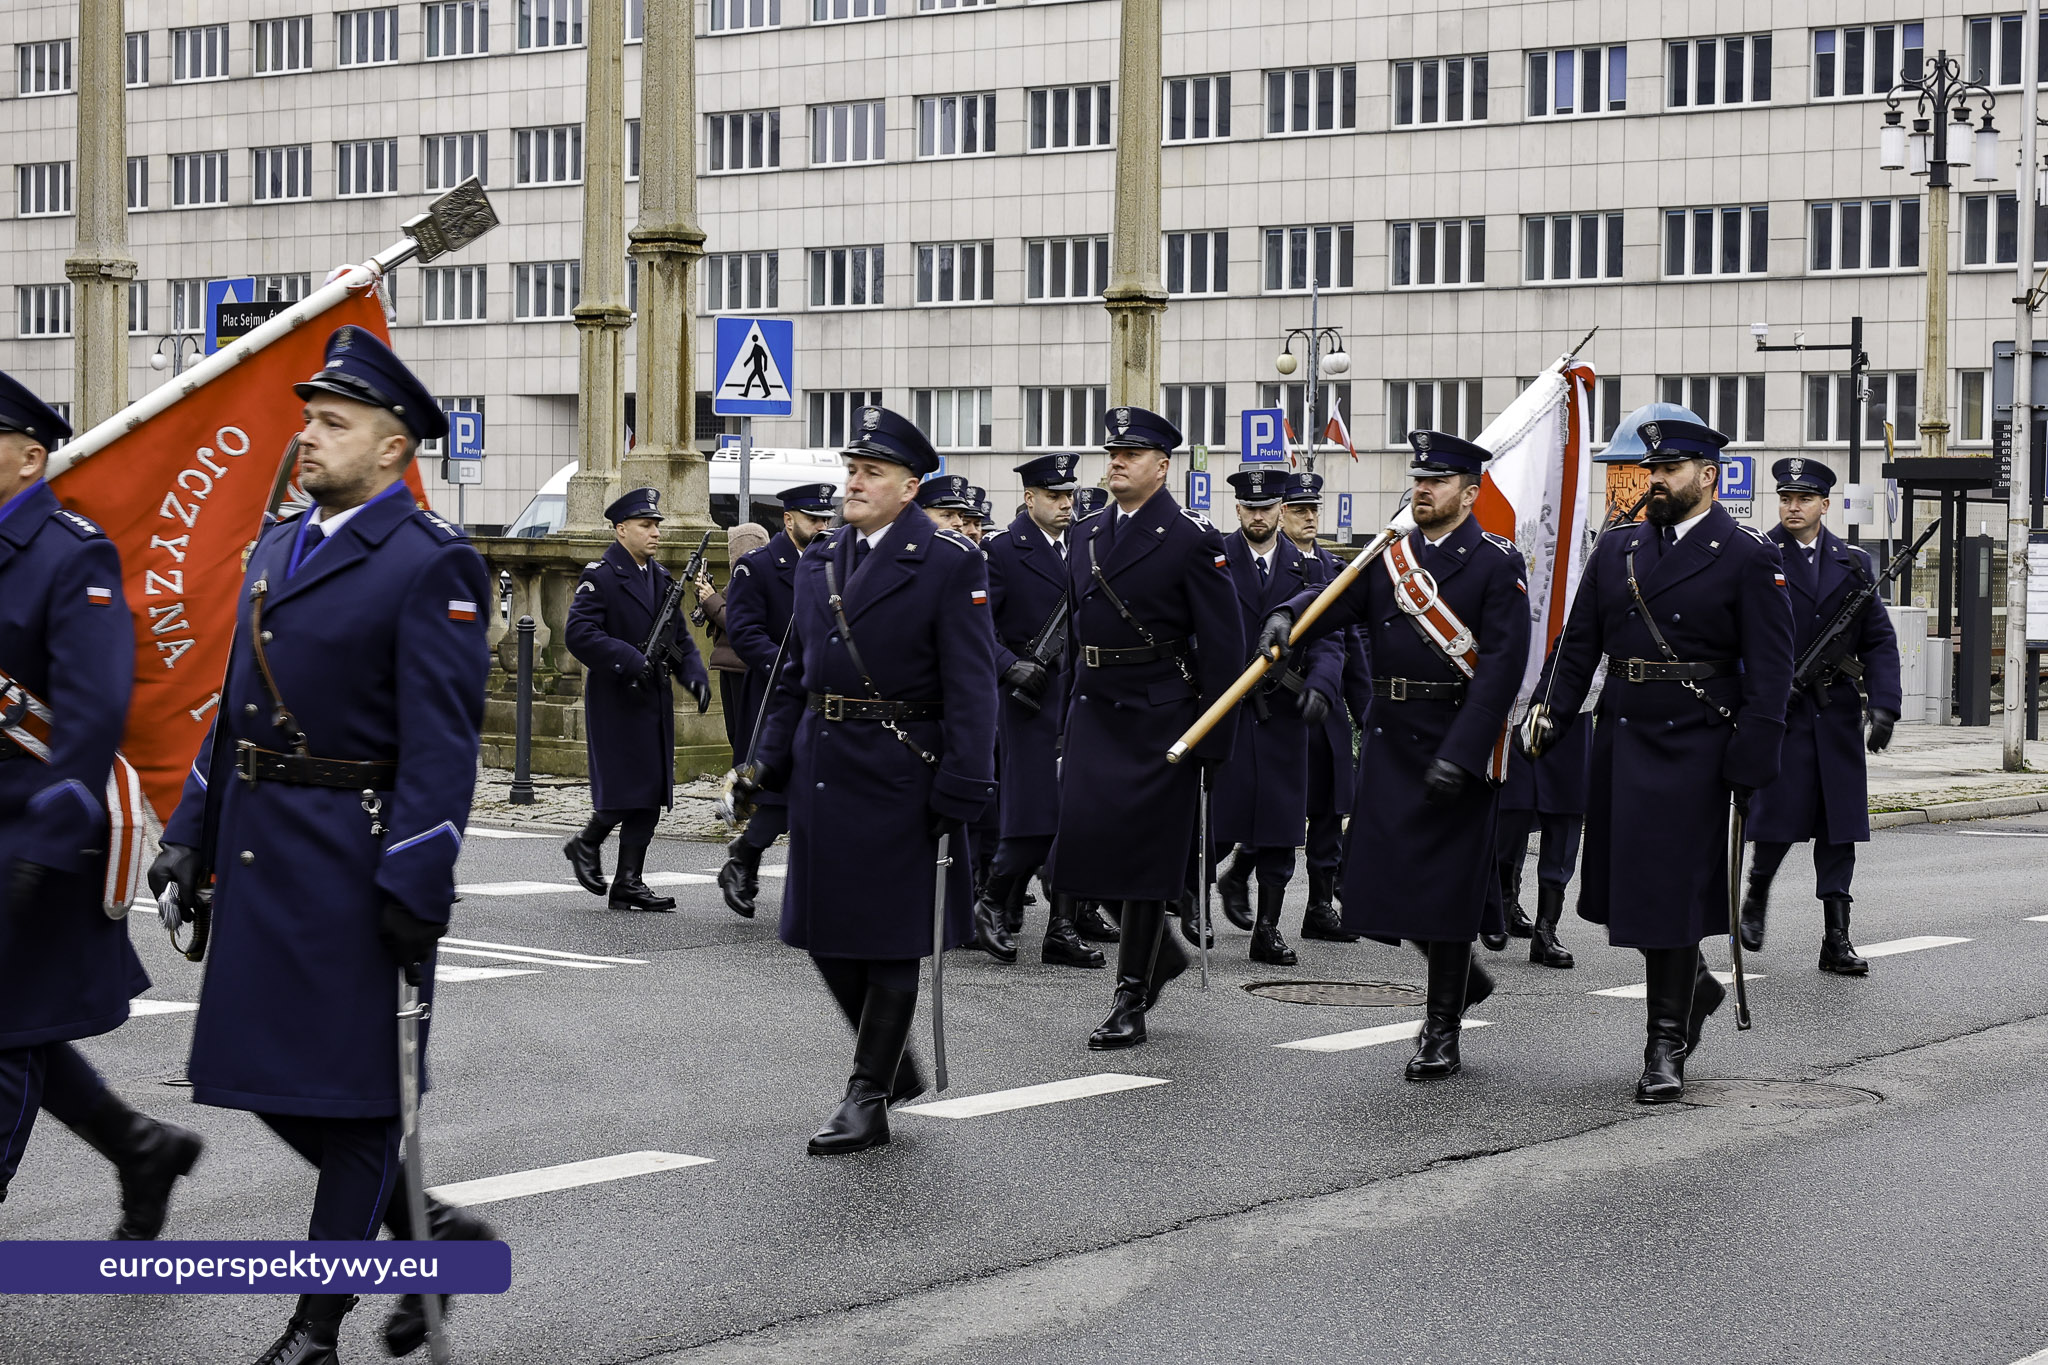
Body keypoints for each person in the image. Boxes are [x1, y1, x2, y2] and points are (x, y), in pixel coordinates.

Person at [146, 326, 498, 1360]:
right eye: (310, 418)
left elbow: (444, 746)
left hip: (356, 862)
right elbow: (237, 709)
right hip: (262, 854)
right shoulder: (280, 544)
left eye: (334, 424)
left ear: (393, 448)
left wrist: (415, 877)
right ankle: (434, 1235)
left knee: (354, 1104)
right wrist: (187, 833)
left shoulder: (431, 562)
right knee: (256, 1078)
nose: (309, 437)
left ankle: (314, 1327)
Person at [732, 407, 997, 1154]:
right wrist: (763, 761)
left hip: (900, 766)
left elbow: (974, 685)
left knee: (888, 941)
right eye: (853, 468)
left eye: (871, 471)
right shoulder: (821, 558)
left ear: (910, 487)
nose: (854, 481)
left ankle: (867, 1091)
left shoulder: (948, 560)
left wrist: (965, 782)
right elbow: (794, 675)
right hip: (824, 765)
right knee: (822, 932)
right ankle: (890, 1062)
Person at [1522, 418, 1794, 1104]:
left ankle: (1665, 1041)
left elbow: (1771, 670)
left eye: (1671, 469)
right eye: (1654, 469)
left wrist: (1751, 759)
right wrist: (1551, 710)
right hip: (1623, 735)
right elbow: (1578, 641)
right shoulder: (1619, 550)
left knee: (1670, 892)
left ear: (1709, 475)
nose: (1657, 481)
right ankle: (1696, 985)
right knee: (1635, 893)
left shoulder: (1745, 554)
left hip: (1698, 745)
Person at [0, 371, 204, 1243]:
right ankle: (139, 1144)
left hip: (37, 835)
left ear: (28, 456)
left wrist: (46, 831)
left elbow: (91, 708)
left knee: (5, 1035)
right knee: (23, 1022)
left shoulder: (68, 549)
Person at [1257, 431, 1528, 1081]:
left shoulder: (1496, 563)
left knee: (1445, 893)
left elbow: (1501, 670)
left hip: (1452, 740)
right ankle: (1461, 977)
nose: (1423, 488)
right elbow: (1336, 599)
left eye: (1438, 481)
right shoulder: (1391, 557)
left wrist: (1463, 753)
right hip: (1391, 737)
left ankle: (1441, 1027)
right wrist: (1286, 619)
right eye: (1419, 479)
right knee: (1374, 881)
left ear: (1469, 492)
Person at [1052, 407, 1242, 1051]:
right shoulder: (1085, 534)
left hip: (1160, 715)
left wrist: (1214, 740)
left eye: (1132, 453)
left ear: (1162, 467)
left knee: (1138, 859)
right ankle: (1162, 951)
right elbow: (1077, 634)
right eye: (1113, 451)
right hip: (1094, 707)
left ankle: (1131, 991)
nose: (1117, 461)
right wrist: (1066, 713)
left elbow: (1223, 648)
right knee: (1077, 846)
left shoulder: (1191, 538)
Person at [1741, 457, 1901, 974]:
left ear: (1824, 505)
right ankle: (1755, 896)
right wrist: (1759, 692)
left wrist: (1884, 705)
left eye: (1804, 499)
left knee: (1839, 828)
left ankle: (1837, 938)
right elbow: (1737, 635)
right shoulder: (1757, 555)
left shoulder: (1852, 562)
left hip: (1833, 715)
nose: (1793, 506)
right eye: (1786, 498)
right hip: (1779, 713)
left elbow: (1878, 639)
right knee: (1777, 817)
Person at [977, 453, 1107, 968]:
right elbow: (977, 627)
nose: (1065, 504)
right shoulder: (1004, 551)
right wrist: (1009, 665)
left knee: (1075, 819)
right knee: (1034, 816)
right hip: (1028, 701)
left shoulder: (1084, 547)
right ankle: (991, 902)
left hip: (1079, 698)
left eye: (1069, 495)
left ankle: (1061, 926)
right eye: (1054, 496)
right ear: (1030, 498)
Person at [1209, 467, 1342, 966]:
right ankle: (1191, 899)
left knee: (1281, 828)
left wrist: (1324, 686)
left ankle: (1267, 928)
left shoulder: (1307, 569)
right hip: (1230, 711)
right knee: (1218, 826)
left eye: (1267, 509)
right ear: (1238, 510)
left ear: (1279, 510)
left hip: (1285, 713)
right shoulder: (1216, 557)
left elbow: (1331, 637)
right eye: (1250, 508)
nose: (1259, 516)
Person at [559, 488, 712, 913]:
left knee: (652, 791)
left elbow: (679, 637)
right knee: (627, 788)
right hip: (616, 698)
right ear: (621, 529)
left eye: (657, 525)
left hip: (653, 699)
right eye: (646, 525)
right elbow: (580, 634)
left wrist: (694, 678)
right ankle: (586, 843)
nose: (655, 532)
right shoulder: (602, 576)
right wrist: (629, 658)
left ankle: (628, 881)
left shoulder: (661, 578)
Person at [719, 486, 835, 917]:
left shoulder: (833, 564)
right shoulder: (759, 567)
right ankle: (744, 856)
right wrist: (791, 667)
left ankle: (747, 858)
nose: (823, 527)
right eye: (813, 519)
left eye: (827, 519)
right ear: (788, 520)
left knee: (813, 790)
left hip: (821, 695)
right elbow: (745, 633)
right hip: (776, 693)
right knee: (779, 790)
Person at [1276, 471, 1372, 945]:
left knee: (1331, 807)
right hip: (1279, 703)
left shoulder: (1335, 568)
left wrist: (1367, 711)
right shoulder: (1274, 563)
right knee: (1280, 806)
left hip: (1326, 705)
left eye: (1314, 509)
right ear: (1280, 513)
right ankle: (1229, 885)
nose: (1310, 517)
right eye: (1299, 509)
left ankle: (1319, 905)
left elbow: (1350, 643)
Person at [1493, 725, 1589, 968]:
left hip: (1573, 713)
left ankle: (1546, 929)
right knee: (1513, 803)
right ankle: (1501, 903)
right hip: (1520, 705)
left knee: (1565, 810)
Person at [693, 520, 770, 757]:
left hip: (742, 666)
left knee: (744, 734)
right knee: (735, 732)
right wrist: (708, 596)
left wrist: (712, 600)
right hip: (728, 663)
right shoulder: (740, 579)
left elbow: (738, 622)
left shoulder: (757, 580)